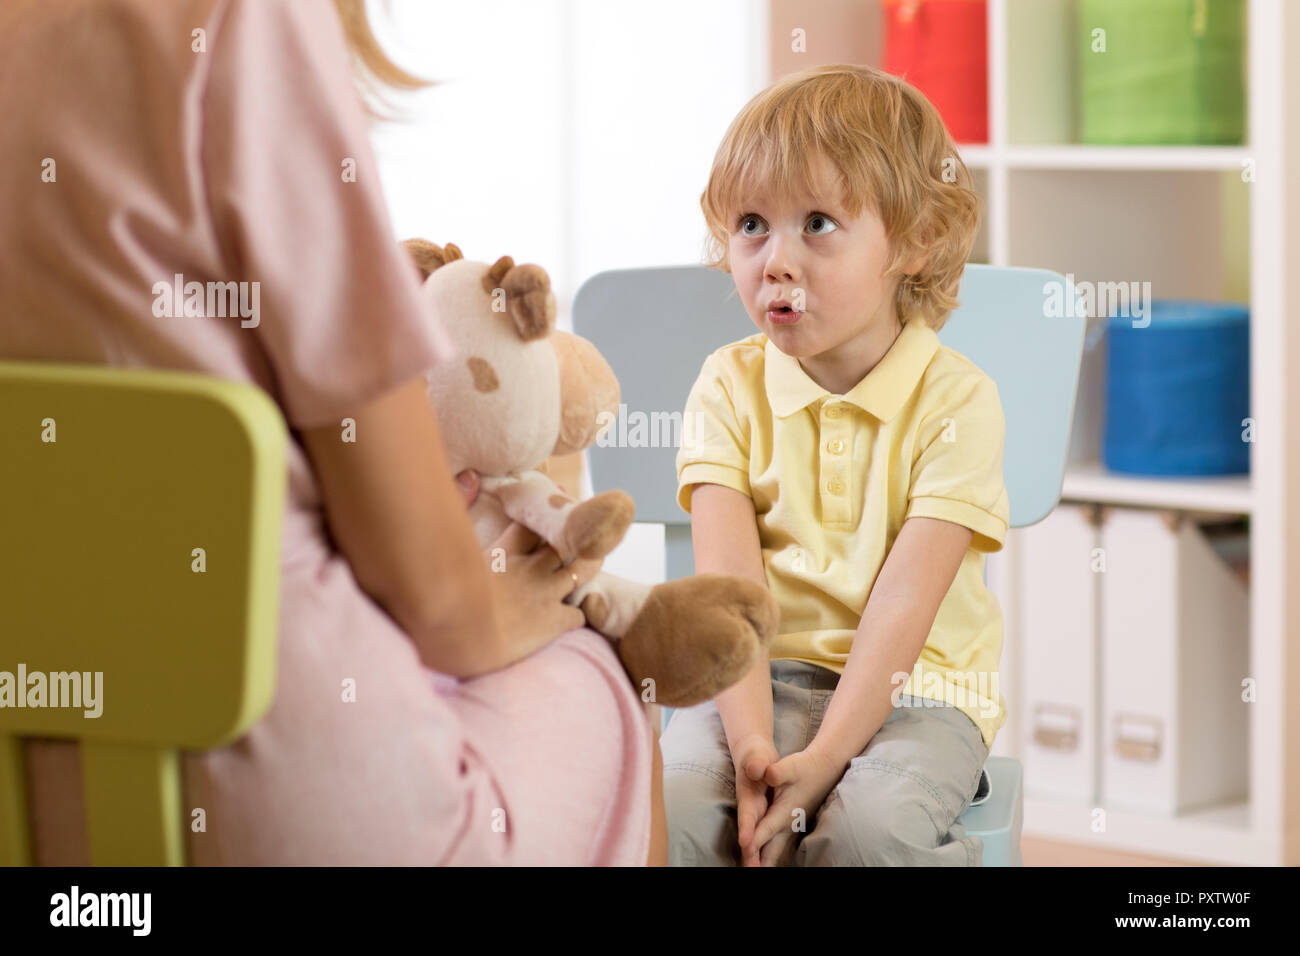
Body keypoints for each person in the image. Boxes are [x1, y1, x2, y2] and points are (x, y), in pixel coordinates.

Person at [0, 0, 663, 866]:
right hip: (285, 796)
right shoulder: (242, 20)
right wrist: (529, 603)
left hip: (38, 796)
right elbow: (436, 601)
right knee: (612, 680)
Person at [662, 64, 1010, 866]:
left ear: (916, 241)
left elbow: (901, 613)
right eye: (752, 224)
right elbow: (731, 595)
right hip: (756, 680)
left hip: (920, 694)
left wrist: (817, 770)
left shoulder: (958, 400)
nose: (775, 260)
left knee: (860, 832)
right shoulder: (726, 384)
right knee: (677, 811)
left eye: (817, 223)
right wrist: (753, 750)